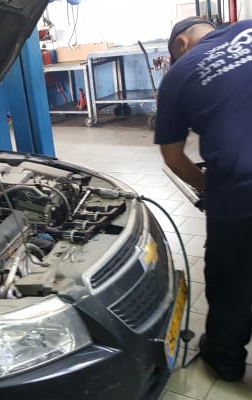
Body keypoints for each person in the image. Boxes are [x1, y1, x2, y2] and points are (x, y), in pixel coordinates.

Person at [155, 16, 252, 382]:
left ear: (180, 45)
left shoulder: (178, 75)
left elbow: (173, 156)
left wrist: (211, 188)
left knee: (230, 280)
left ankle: (225, 358)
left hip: (239, 194)